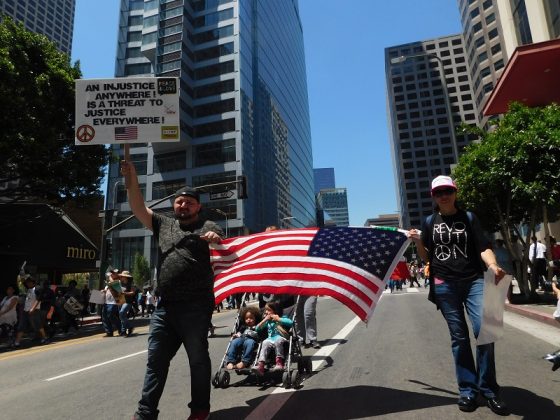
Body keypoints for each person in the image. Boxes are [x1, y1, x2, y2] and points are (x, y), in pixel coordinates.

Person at [121, 152, 223, 420]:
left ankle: (200, 411)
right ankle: (145, 413)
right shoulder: (163, 223)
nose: (183, 206)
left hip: (196, 307)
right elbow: (138, 208)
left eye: (189, 203)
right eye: (179, 201)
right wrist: (131, 177)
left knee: (198, 361)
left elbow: (220, 243)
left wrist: (213, 237)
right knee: (155, 362)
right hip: (164, 308)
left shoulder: (207, 224)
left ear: (198, 207)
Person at [408, 175, 508, 415]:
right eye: (439, 192)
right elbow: (426, 257)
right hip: (445, 285)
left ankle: (489, 390)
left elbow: (483, 247)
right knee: (459, 338)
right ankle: (468, 391)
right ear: (433, 196)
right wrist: (418, 241)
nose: (444, 195)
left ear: (455, 192)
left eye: (448, 191)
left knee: (485, 332)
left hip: (474, 280)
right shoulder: (430, 221)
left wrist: (493, 266)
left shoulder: (469, 217)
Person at [252, 301, 293, 376]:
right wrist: (265, 320)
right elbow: (257, 328)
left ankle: (279, 363)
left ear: (275, 310)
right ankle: (261, 365)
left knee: (278, 341)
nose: (266, 312)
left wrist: (278, 319)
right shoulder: (268, 321)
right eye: (266, 310)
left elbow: (290, 323)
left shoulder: (281, 318)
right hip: (270, 339)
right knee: (264, 342)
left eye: (269, 310)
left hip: (281, 338)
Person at [14, 276, 48, 347]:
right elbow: (23, 281)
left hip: (34, 311)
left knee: (38, 325)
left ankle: (44, 337)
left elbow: (38, 299)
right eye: (27, 283)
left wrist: (33, 308)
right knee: (21, 326)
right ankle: (17, 342)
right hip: (25, 311)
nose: (27, 284)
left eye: (29, 282)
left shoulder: (37, 288)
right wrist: (22, 274)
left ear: (33, 283)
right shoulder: (29, 288)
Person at [102, 269, 121, 337]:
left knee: (111, 316)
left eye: (113, 273)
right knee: (105, 317)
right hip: (107, 302)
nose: (111, 274)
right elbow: (107, 289)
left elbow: (114, 285)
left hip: (114, 302)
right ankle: (109, 332)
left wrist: (109, 277)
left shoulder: (118, 280)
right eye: (111, 273)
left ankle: (120, 328)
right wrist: (104, 291)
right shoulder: (108, 282)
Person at [118, 270, 136, 337]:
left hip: (128, 301)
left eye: (123, 276)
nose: (122, 277)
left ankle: (129, 327)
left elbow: (133, 292)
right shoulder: (120, 283)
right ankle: (124, 331)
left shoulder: (130, 284)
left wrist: (125, 293)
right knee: (122, 316)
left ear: (126, 277)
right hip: (120, 300)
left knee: (122, 313)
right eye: (121, 276)